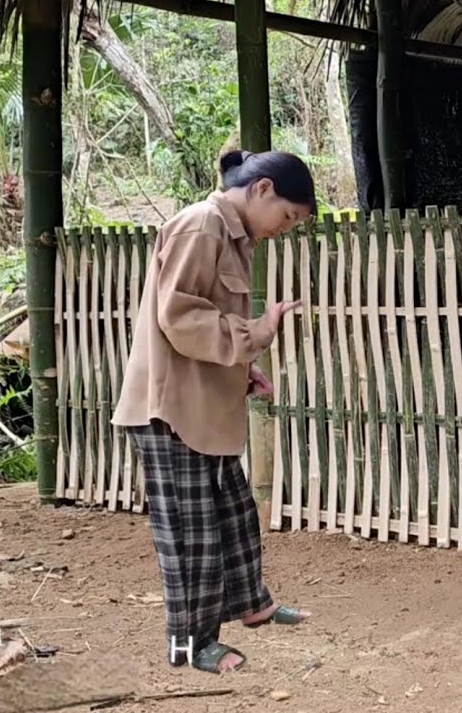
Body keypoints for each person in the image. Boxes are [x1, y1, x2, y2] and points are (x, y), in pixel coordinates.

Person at [112, 149, 317, 674]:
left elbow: (207, 321)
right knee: (190, 533)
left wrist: (242, 370)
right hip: (170, 409)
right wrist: (258, 332)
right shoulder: (200, 225)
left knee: (233, 513)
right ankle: (189, 645)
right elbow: (178, 317)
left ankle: (250, 604)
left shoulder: (233, 235)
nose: (286, 229)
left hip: (202, 401)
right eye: (289, 216)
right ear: (263, 189)